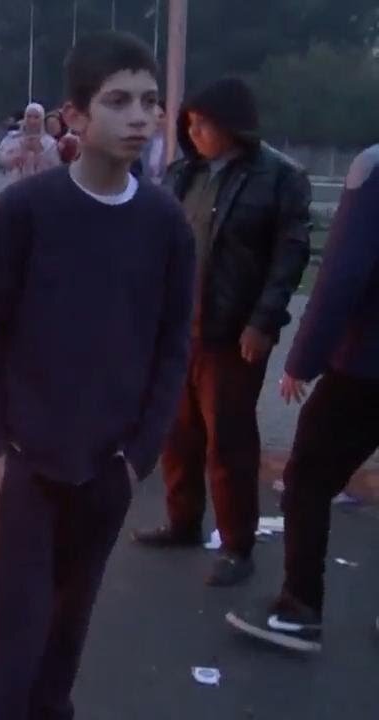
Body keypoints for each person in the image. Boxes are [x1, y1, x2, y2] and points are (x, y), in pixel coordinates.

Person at [0, 32, 193, 719]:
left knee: (68, 634)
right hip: (28, 465)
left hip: (108, 470)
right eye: (118, 101)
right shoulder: (26, 212)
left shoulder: (166, 225)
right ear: (75, 117)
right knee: (14, 640)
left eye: (150, 102)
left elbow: (173, 345)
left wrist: (138, 457)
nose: (140, 117)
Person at [132, 77, 313, 587]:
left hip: (232, 332)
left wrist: (263, 322)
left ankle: (237, 545)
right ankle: (183, 522)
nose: (195, 131)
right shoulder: (183, 172)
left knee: (228, 441)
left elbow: (289, 257)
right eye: (190, 124)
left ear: (233, 125)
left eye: (203, 123)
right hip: (176, 328)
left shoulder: (277, 177)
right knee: (178, 432)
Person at [224, 144, 379, 653]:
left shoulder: (373, 168)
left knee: (309, 477)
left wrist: (303, 359)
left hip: (366, 366)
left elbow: (344, 273)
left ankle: (299, 608)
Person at [0, 102, 62, 184]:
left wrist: (39, 151)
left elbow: (55, 167)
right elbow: (0, 159)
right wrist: (19, 153)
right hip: (14, 185)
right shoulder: (12, 138)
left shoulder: (49, 142)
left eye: (36, 117)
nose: (32, 121)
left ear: (42, 119)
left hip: (40, 186)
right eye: (29, 116)